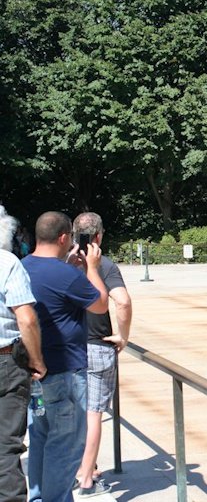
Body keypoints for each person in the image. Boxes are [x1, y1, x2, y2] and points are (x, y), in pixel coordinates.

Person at [22, 211, 109, 502]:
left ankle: (36, 497)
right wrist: (92, 268)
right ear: (63, 238)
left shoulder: (21, 267)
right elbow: (99, 305)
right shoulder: (67, 274)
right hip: (66, 373)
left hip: (33, 373)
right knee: (66, 446)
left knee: (40, 441)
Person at [73, 212, 132, 498]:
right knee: (94, 412)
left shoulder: (64, 262)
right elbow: (122, 301)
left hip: (68, 347)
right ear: (99, 236)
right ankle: (87, 477)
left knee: (75, 411)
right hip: (97, 344)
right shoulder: (105, 265)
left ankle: (79, 468)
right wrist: (123, 335)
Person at [0, 207, 46, 502]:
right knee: (5, 447)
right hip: (6, 361)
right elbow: (26, 319)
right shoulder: (7, 263)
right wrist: (37, 360)